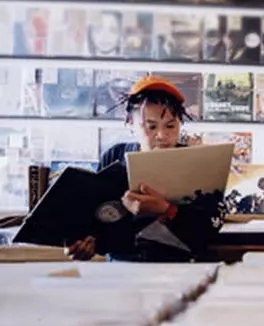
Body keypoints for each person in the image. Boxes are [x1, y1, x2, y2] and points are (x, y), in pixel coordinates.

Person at [66, 75, 226, 262]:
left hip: (184, 265)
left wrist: (167, 210)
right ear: (131, 124)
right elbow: (96, 220)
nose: (162, 135)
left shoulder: (197, 162)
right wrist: (86, 243)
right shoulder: (115, 157)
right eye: (151, 126)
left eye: (170, 125)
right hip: (123, 267)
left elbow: (212, 225)